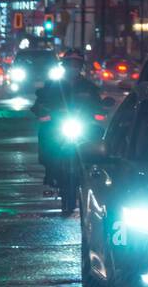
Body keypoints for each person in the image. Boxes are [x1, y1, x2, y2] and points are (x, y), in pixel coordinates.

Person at [33, 50, 103, 187]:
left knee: (98, 134)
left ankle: (93, 172)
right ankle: (50, 172)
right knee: (45, 134)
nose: (73, 67)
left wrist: (100, 112)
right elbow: (40, 102)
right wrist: (42, 112)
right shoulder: (52, 86)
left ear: (81, 66)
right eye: (70, 64)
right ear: (64, 66)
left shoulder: (89, 87)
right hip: (58, 124)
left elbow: (98, 105)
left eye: (76, 64)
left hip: (83, 124)